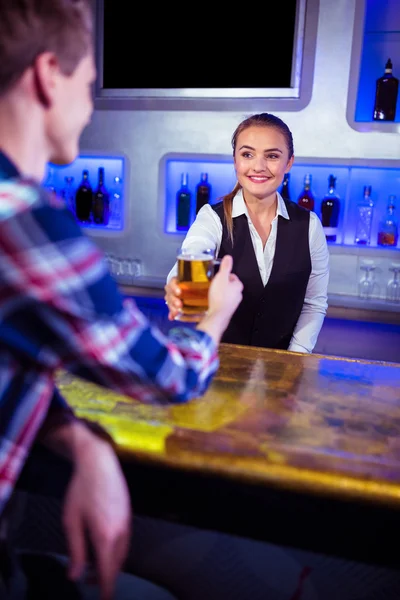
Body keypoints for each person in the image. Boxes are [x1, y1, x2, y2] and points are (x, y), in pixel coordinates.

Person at [0, 1, 243, 599]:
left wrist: (83, 439)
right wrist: (213, 314)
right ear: (47, 74)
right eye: (89, 86)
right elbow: (170, 376)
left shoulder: (304, 225)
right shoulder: (30, 222)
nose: (90, 108)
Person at [165, 112, 330, 354]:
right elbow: (192, 255)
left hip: (284, 371)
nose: (258, 166)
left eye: (272, 156)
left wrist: (295, 357)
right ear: (235, 160)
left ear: (289, 162)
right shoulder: (212, 218)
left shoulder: (309, 225)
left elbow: (314, 304)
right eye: (247, 154)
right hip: (219, 365)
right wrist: (177, 285)